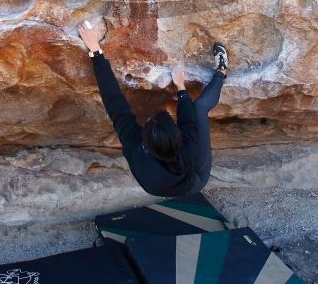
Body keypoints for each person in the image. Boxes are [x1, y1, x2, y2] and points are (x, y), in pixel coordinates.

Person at [76, 20, 228, 196]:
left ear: (144, 142)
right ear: (178, 138)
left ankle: (221, 71)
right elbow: (188, 122)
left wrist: (95, 52)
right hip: (181, 181)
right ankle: (221, 72)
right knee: (199, 107)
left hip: (174, 182)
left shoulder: (136, 148)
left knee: (198, 109)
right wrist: (181, 89)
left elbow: (113, 101)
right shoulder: (188, 147)